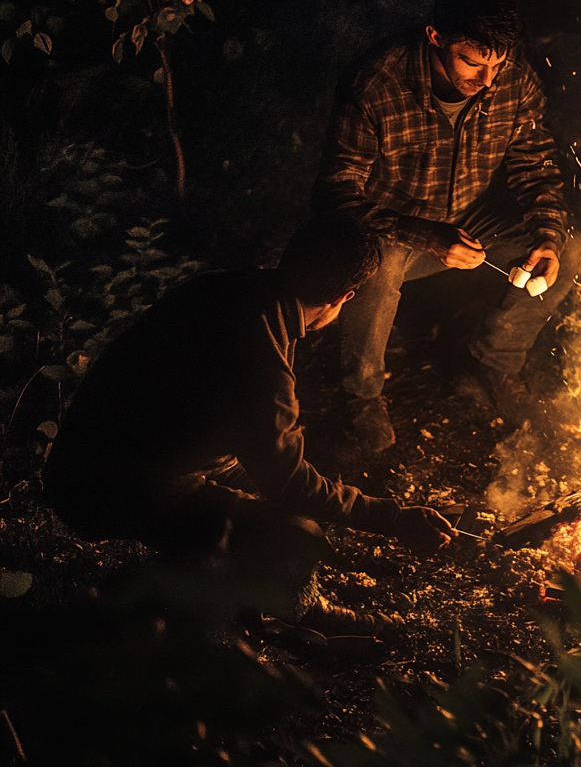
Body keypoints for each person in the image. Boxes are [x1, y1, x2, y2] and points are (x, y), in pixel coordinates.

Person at [43, 215, 456, 635]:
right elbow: (289, 482)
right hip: (111, 487)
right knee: (299, 530)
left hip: (86, 461)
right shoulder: (262, 360)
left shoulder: (227, 288)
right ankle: (145, 600)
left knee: (294, 502)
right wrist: (394, 518)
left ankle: (262, 602)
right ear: (345, 296)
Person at [314, 0, 581, 451]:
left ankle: (493, 364)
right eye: (471, 62)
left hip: (467, 219)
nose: (486, 82)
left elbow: (535, 164)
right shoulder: (377, 83)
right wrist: (426, 235)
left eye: (496, 65)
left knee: (574, 244)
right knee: (371, 264)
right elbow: (337, 195)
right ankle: (360, 397)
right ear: (436, 36)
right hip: (389, 228)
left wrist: (546, 233)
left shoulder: (512, 81)